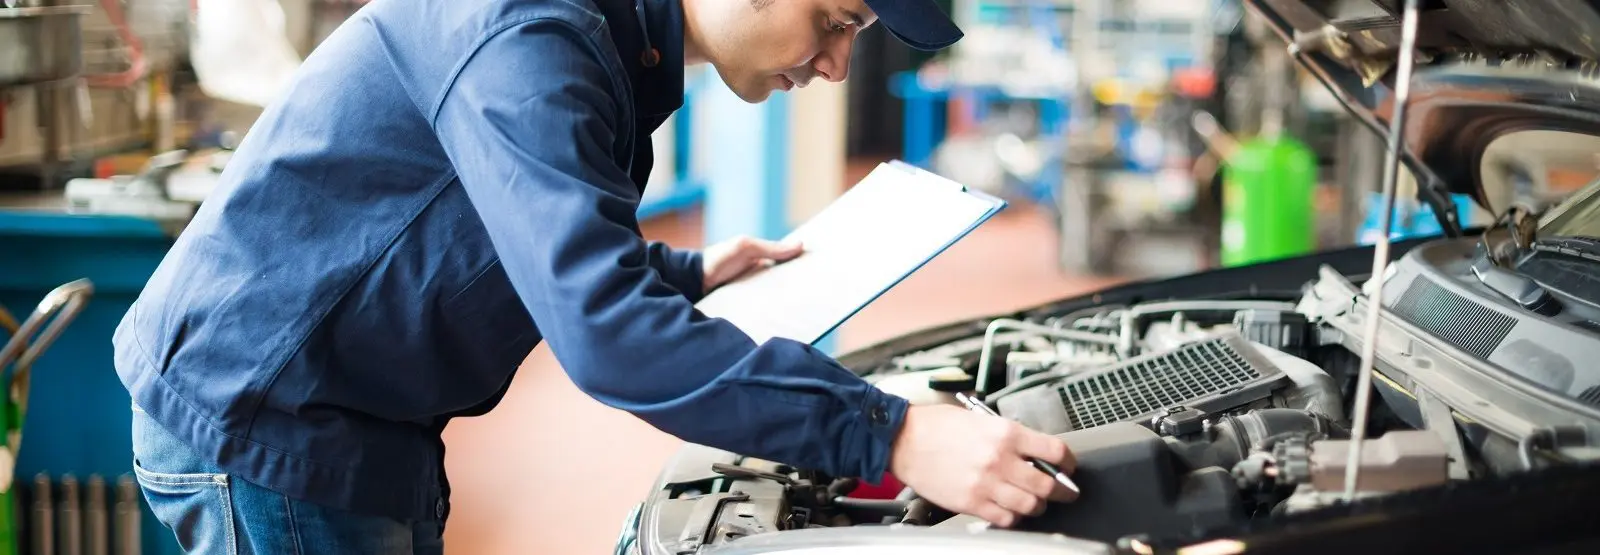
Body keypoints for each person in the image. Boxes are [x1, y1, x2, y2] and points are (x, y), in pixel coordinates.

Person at [115, 0, 1079, 552]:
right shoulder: (533, 32)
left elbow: (499, 220)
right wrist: (896, 434)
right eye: (833, 19)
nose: (835, 64)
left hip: (351, 406)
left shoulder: (620, 40)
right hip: (269, 414)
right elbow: (606, 335)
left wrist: (683, 270)